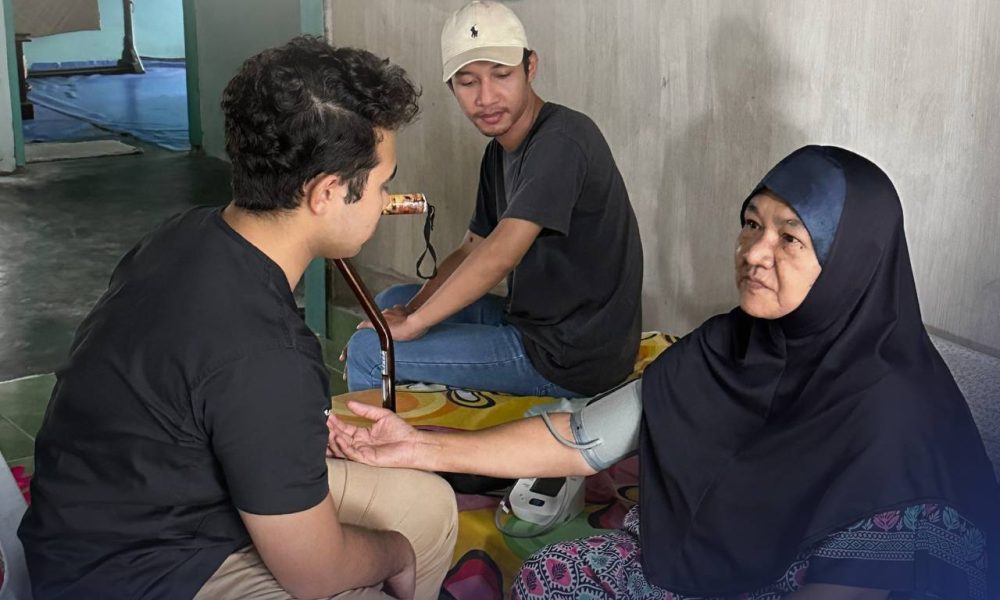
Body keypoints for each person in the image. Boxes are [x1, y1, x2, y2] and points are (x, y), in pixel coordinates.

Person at [328, 146, 999, 599]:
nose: (754, 252)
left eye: (790, 238)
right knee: (553, 575)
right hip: (723, 562)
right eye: (751, 224)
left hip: (815, 582)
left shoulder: (893, 416)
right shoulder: (733, 344)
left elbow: (844, 588)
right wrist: (420, 447)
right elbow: (583, 438)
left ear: (853, 261)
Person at [19, 37, 457, 600]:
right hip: (135, 572)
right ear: (326, 193)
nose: (385, 200)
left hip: (135, 507)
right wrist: (393, 554)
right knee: (387, 553)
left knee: (427, 504)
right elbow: (315, 574)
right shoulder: (267, 353)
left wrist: (286, 436)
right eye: (382, 183)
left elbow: (206, 394)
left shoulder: (184, 233)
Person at [345, 0, 643, 399]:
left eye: (501, 75)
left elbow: (501, 254)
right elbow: (474, 247)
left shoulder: (563, 140)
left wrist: (414, 326)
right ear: (452, 87)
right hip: (532, 322)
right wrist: (411, 311)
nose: (486, 97)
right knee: (392, 301)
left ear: (530, 67)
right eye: (468, 82)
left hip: (568, 356)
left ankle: (382, 439)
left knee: (370, 352)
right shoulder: (499, 152)